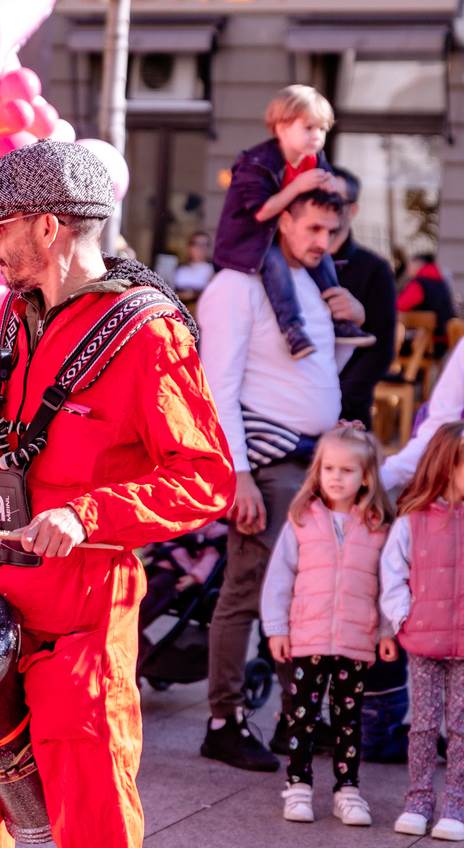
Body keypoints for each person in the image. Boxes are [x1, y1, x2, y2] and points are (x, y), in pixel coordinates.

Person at [0, 140, 236, 848]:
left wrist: (86, 512)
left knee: (89, 814)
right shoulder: (14, 316)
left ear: (49, 227)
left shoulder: (148, 335)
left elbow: (205, 477)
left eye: (0, 225)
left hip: (80, 619)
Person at [199, 188, 368, 772]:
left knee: (303, 596)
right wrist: (237, 474)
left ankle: (293, 723)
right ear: (283, 219)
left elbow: (314, 374)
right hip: (266, 464)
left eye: (333, 232)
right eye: (314, 229)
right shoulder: (236, 287)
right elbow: (216, 385)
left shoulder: (307, 285)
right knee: (247, 592)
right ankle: (223, 721)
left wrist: (349, 323)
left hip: (314, 463)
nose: (325, 244)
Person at [259, 423, 397, 826]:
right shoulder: (303, 520)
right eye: (329, 469)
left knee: (347, 719)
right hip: (307, 638)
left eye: (347, 470)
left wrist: (386, 630)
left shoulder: (376, 526)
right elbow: (279, 579)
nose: (336, 477)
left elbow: (385, 585)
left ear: (366, 476)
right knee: (301, 715)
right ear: (318, 471)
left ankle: (348, 790)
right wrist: (276, 628)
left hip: (356, 640)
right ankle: (298, 785)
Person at [212, 84, 373, 360]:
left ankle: (338, 317)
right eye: (309, 128)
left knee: (322, 258)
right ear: (282, 127)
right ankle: (292, 329)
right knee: (276, 268)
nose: (316, 136)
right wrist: (298, 186)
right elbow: (261, 212)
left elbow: (319, 201)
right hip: (252, 241)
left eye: (322, 130)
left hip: (286, 235)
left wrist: (331, 187)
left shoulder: (314, 160)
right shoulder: (258, 162)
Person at [381, 421, 464, 841]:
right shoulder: (413, 520)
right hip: (424, 639)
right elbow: (393, 572)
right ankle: (417, 799)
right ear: (447, 467)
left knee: (463, 726)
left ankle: (456, 803)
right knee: (424, 725)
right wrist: (403, 618)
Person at [330, 166, 397, 427]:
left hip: (348, 410)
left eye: (335, 201)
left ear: (353, 210)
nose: (326, 207)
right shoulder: (293, 264)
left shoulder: (375, 269)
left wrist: (340, 401)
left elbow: (381, 349)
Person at [397, 253, 456, 356]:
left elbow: (399, 306)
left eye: (410, 264)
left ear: (418, 264)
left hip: (425, 344)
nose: (408, 268)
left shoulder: (419, 284)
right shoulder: (441, 283)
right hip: (443, 341)